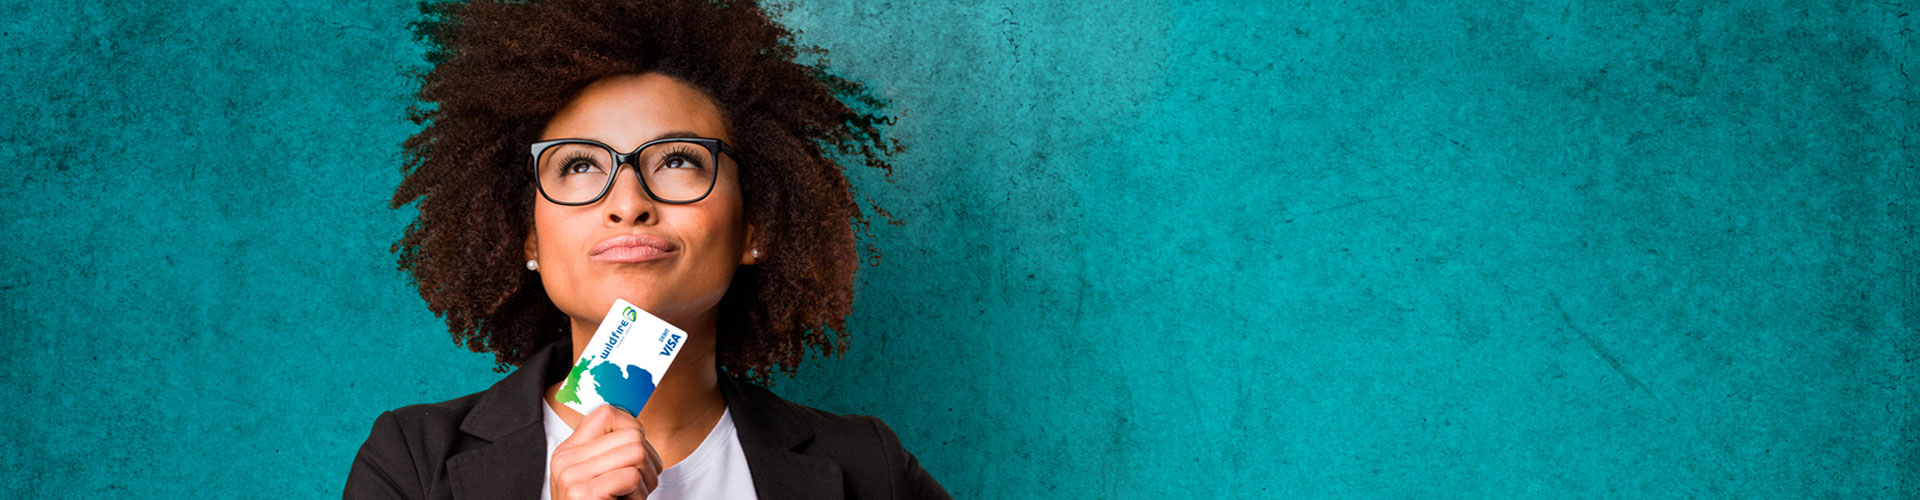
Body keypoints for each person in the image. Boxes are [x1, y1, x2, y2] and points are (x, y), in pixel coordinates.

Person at [343, 1, 949, 498]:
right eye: (579, 165)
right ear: (529, 237)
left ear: (754, 231)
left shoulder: (871, 469)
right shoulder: (411, 465)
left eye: (679, 160)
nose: (628, 202)